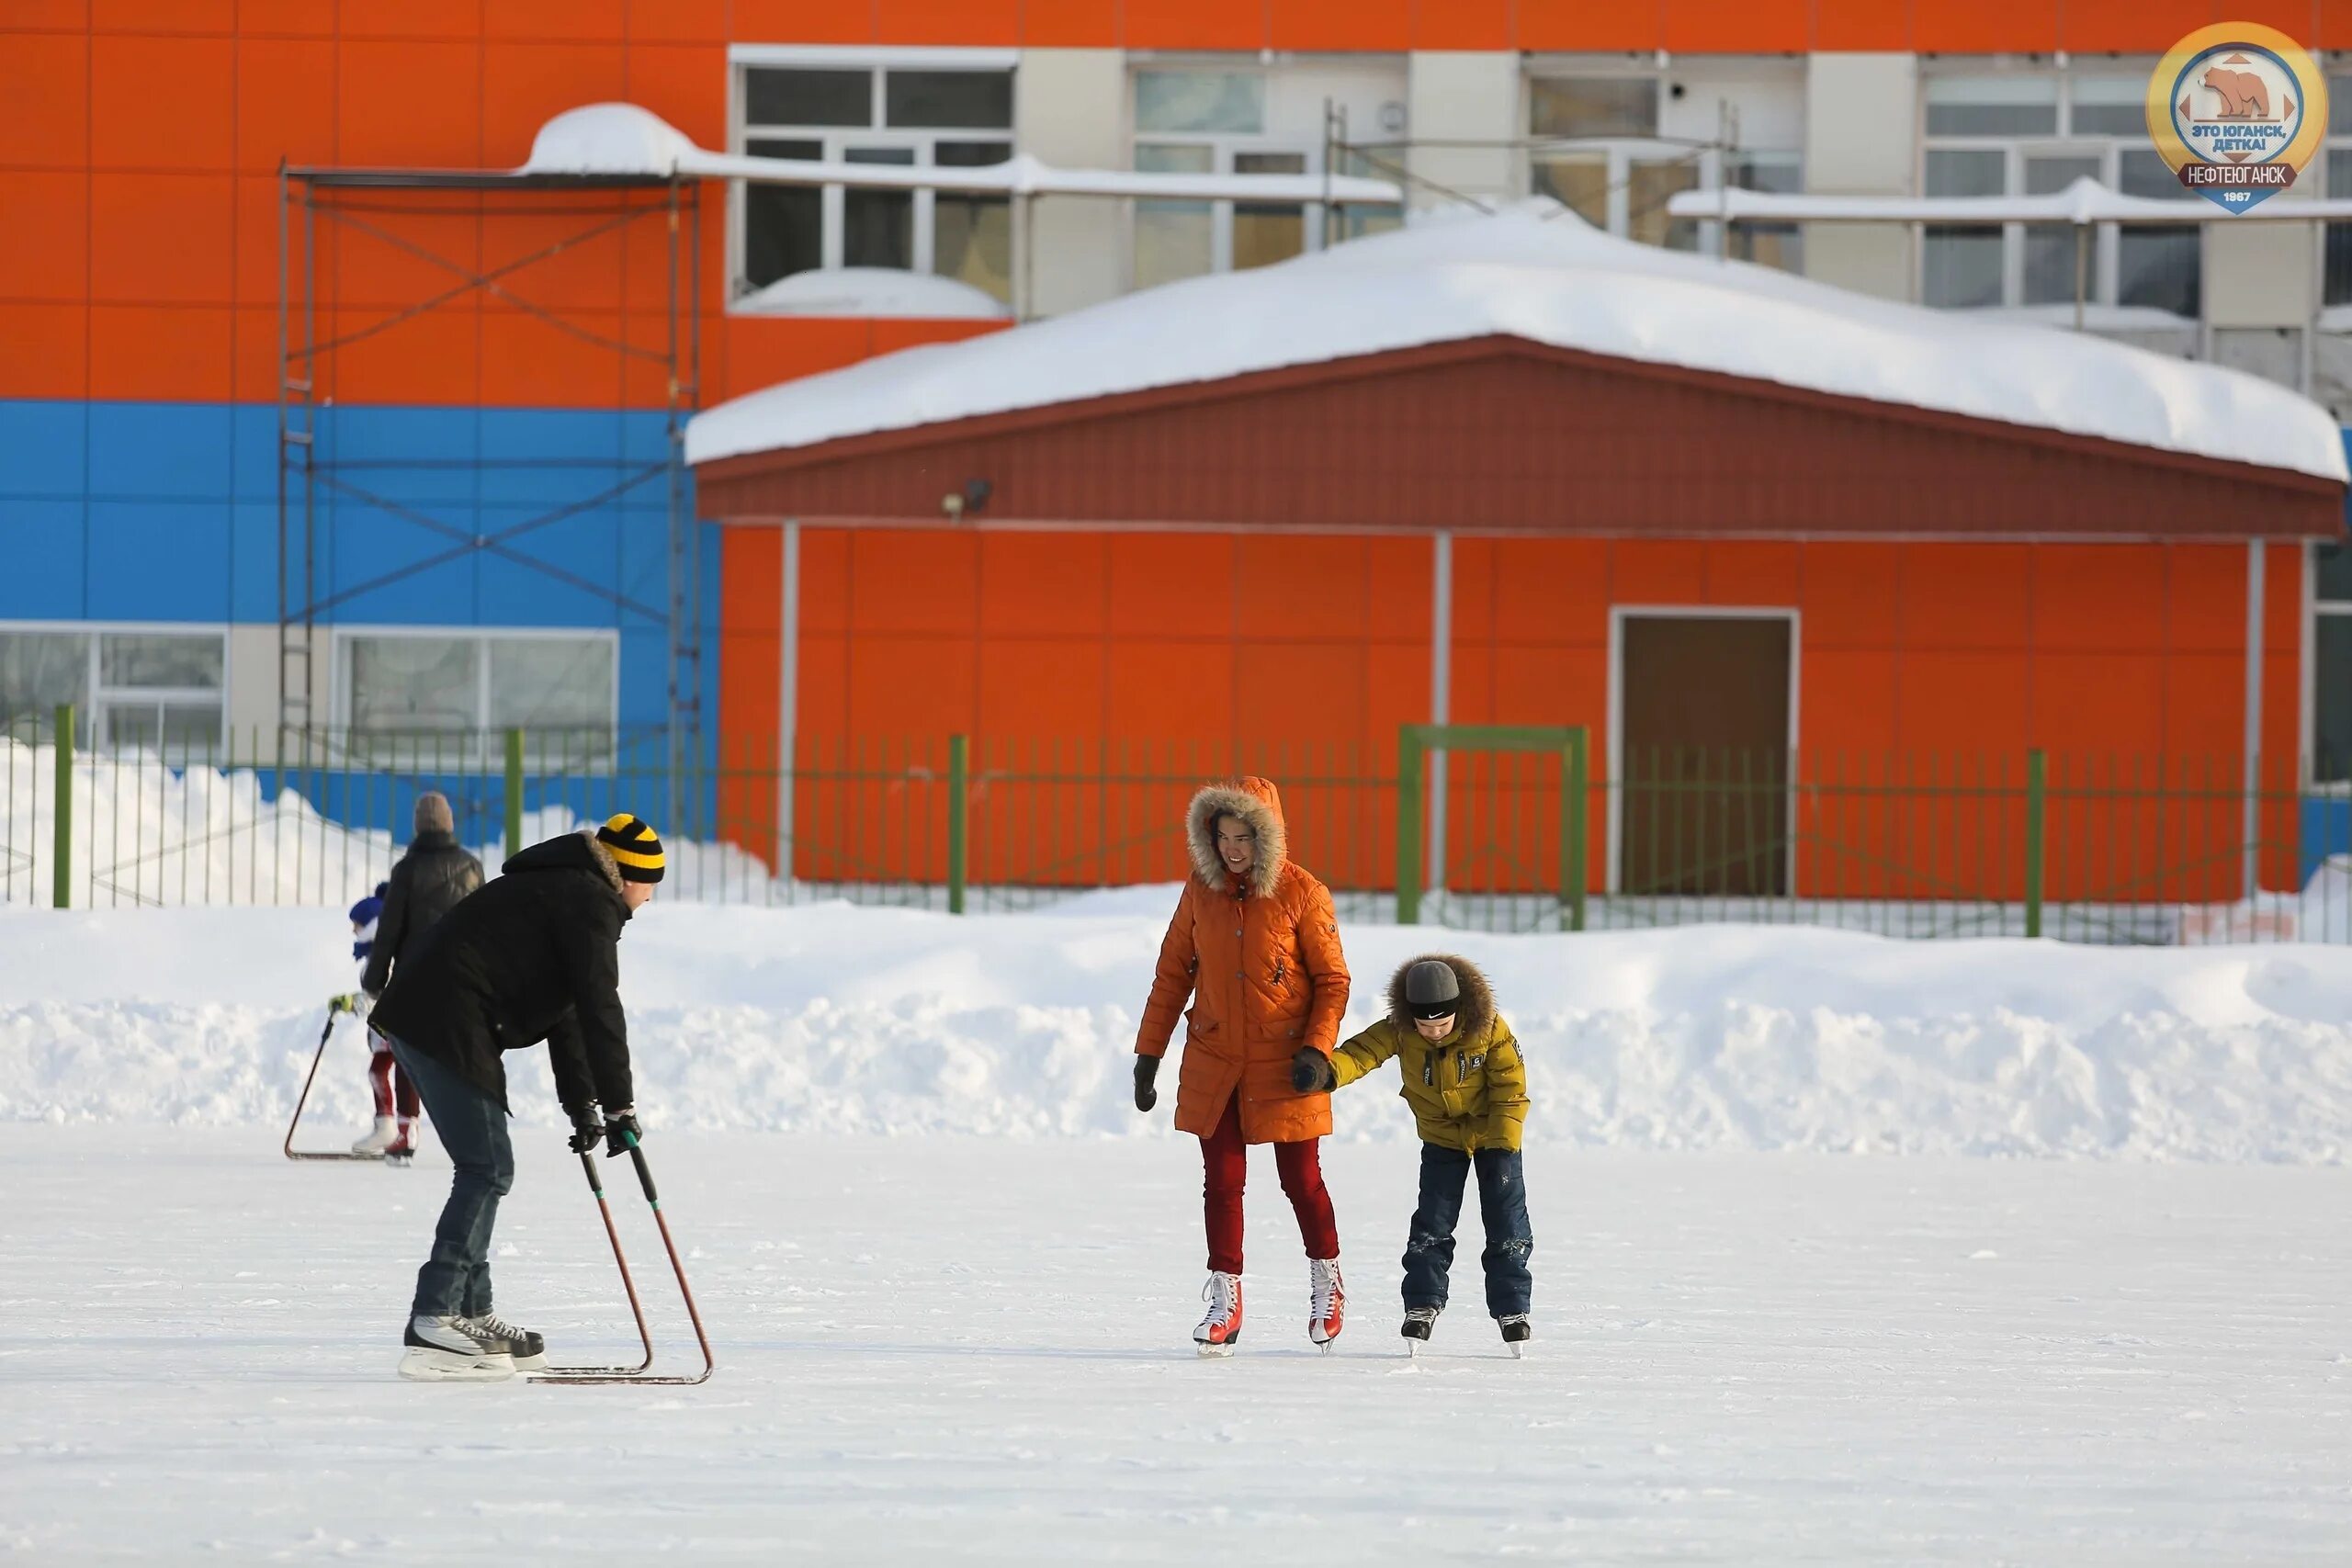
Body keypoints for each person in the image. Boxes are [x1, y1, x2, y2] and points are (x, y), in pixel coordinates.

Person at [369, 813, 664, 1382]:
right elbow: (602, 1006)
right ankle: (436, 1314)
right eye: (652, 883)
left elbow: (571, 1010)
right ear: (628, 876)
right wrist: (621, 1105)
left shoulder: (570, 890)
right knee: (487, 1166)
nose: (651, 898)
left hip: (438, 1016)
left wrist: (585, 1103)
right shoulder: (588, 902)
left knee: (487, 1165)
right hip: (443, 1020)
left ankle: (471, 1312)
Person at [1134, 777, 1351, 1356]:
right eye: (1223, 836)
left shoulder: (1303, 893)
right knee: (1223, 1183)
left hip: (1286, 1062)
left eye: (1244, 838)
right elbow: (1172, 975)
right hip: (1217, 1059)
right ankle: (1225, 1298)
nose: (1233, 849)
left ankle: (1327, 1281)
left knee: (1300, 1181)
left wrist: (1316, 1049)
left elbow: (1333, 980)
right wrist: (1148, 1053)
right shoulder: (1199, 892)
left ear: (1268, 837)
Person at [1296, 955, 1532, 1353]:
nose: (1435, 1033)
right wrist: (1327, 1071)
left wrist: (1503, 1146)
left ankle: (1513, 1308)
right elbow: (1361, 1052)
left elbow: (1511, 1087)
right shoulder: (1402, 1030)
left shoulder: (1490, 1028)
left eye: (1443, 1025)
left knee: (1506, 1222)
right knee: (1431, 1224)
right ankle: (1422, 1303)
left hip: (1494, 1135)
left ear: (1459, 1012)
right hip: (1440, 1137)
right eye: (1427, 1026)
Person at [351, 793, 483, 1159]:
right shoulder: (473, 867)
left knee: (406, 1054)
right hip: (463, 982)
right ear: (450, 823)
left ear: (417, 825)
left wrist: (374, 983)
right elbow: (483, 927)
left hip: (415, 981)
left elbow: (389, 933)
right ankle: (474, 1132)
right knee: (463, 1058)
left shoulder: (406, 871)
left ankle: (406, 1131)